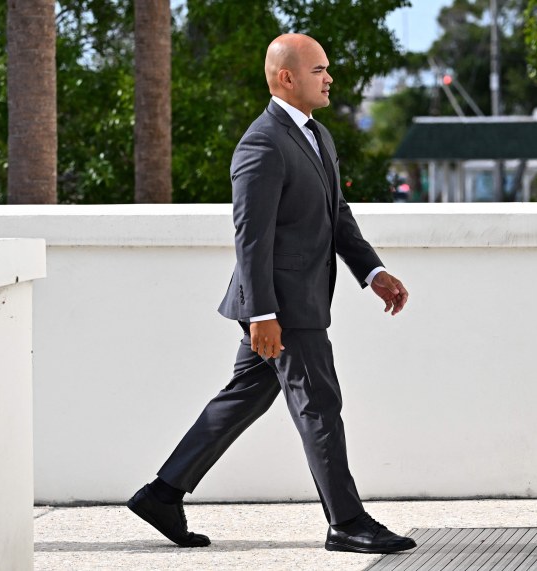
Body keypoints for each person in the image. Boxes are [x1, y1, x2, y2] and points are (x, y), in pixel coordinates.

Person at [128, 33, 416, 555]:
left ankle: (163, 492)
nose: (329, 78)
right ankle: (347, 521)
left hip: (295, 300)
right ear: (287, 77)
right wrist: (263, 313)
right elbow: (251, 236)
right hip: (281, 306)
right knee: (319, 404)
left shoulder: (317, 137)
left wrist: (373, 272)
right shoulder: (261, 142)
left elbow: (337, 219)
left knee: (245, 397)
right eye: (319, 70)